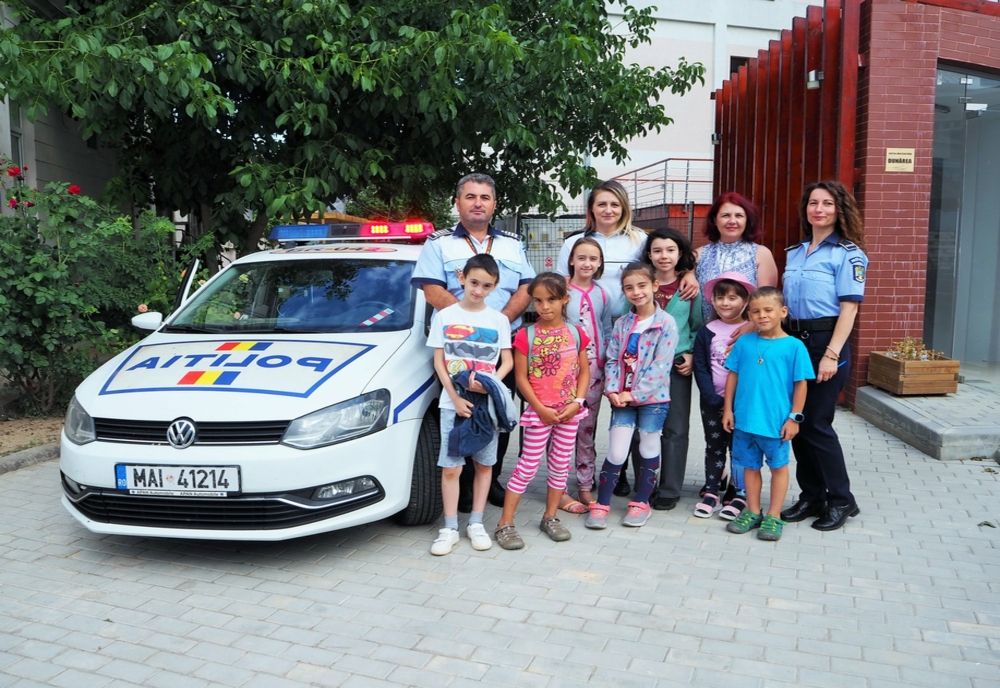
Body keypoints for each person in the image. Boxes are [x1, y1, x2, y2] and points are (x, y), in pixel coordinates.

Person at [412, 173, 535, 509]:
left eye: (484, 197)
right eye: (470, 196)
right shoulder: (438, 244)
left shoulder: (512, 243)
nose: (478, 202)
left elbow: (526, 287)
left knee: (498, 409)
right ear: (458, 203)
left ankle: (489, 477)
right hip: (456, 348)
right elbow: (432, 288)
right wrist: (469, 322)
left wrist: (498, 323)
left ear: (494, 204)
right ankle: (462, 485)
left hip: (500, 345)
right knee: (459, 409)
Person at [780, 180, 868, 532]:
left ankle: (842, 500)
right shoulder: (794, 252)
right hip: (794, 342)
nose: (819, 209)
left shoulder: (848, 254)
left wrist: (831, 354)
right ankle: (812, 495)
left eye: (827, 203)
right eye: (813, 203)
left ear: (839, 209)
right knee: (798, 423)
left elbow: (849, 311)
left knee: (817, 423)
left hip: (825, 343)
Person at [494, 273, 590, 550]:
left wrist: (578, 401)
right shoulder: (526, 335)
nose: (544, 306)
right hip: (540, 414)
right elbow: (521, 378)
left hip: (570, 413)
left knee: (560, 466)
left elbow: (584, 370)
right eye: (538, 301)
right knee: (526, 466)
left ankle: (550, 517)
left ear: (564, 299)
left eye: (551, 300)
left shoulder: (576, 333)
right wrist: (540, 408)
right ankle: (505, 524)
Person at [426, 254, 514, 555]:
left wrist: (489, 384)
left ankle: (476, 523)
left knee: (485, 464)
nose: (478, 290)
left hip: (486, 405)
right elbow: (439, 361)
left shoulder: (499, 320)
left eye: (486, 285)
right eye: (474, 282)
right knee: (451, 467)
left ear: (495, 286)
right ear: (462, 277)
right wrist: (454, 396)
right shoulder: (445, 316)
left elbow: (507, 361)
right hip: (453, 403)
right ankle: (449, 527)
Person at [585, 262, 678, 530]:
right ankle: (602, 503)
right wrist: (613, 390)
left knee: (648, 447)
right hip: (621, 399)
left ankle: (641, 502)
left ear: (654, 286)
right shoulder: (623, 323)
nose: (636, 292)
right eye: (629, 288)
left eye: (641, 286)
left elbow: (661, 367)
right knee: (616, 450)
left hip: (653, 401)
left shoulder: (666, 324)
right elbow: (612, 358)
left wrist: (633, 394)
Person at [722, 287, 813, 542]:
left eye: (768, 310)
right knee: (749, 467)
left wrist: (794, 418)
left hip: (775, 423)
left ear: (782, 312)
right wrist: (728, 409)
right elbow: (733, 376)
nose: (761, 316)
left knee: (778, 468)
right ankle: (752, 510)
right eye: (755, 311)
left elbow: (801, 384)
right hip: (745, 421)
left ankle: (773, 515)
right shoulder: (745, 342)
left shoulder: (794, 347)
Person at [640, 228, 704, 510]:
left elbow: (698, 326)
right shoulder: (640, 284)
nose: (663, 256)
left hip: (677, 366)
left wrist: (691, 353)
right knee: (643, 427)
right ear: (649, 254)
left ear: (680, 254)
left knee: (675, 428)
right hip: (642, 367)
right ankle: (645, 482)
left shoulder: (689, 288)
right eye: (657, 250)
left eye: (670, 250)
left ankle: (669, 487)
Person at [691, 271, 754, 520]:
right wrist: (710, 396)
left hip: (743, 404)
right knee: (714, 446)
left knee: (739, 448)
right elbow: (701, 365)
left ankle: (739, 492)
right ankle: (712, 490)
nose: (725, 303)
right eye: (720, 298)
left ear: (745, 301)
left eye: (732, 298)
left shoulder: (751, 331)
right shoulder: (707, 331)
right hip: (712, 401)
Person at [564, 238, 613, 508]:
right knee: (562, 427)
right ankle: (558, 484)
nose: (587, 263)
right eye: (581, 258)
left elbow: (605, 328)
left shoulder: (603, 293)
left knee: (586, 428)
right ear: (572, 259)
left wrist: (607, 365)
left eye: (593, 259)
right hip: (563, 370)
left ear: (600, 263)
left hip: (594, 369)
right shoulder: (561, 289)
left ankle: (584, 482)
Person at [555, 180, 646, 310]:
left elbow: (664, 272)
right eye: (602, 204)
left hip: (630, 320)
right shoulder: (572, 242)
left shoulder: (641, 240)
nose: (608, 210)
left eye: (615, 205)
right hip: (586, 321)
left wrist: (686, 274)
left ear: (623, 208)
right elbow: (562, 282)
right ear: (592, 208)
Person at [690, 192, 779, 322]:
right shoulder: (698, 255)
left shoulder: (761, 254)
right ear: (715, 220)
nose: (732, 221)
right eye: (726, 215)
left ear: (747, 220)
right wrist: (689, 273)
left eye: (739, 216)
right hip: (706, 334)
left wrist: (751, 326)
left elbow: (766, 300)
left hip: (748, 334)